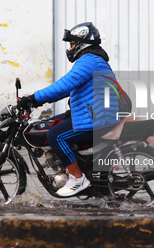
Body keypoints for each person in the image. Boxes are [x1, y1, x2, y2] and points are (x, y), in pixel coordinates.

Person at [17, 22, 119, 197]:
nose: (70, 48)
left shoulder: (89, 60)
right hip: (94, 114)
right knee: (48, 124)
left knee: (55, 135)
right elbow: (68, 90)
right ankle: (76, 167)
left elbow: (63, 86)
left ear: (82, 43)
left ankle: (77, 178)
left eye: (72, 43)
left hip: (97, 119)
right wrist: (35, 100)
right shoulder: (91, 59)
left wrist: (33, 99)